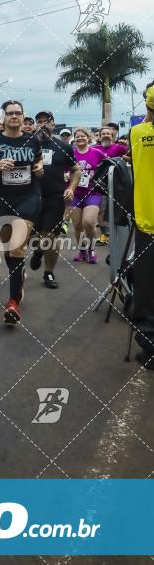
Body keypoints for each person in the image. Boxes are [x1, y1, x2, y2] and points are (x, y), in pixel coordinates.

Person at [0, 100, 43, 326]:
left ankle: (13, 302)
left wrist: (39, 168)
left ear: (23, 116)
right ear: (4, 117)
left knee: (16, 247)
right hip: (2, 199)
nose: (14, 116)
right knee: (8, 247)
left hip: (29, 197)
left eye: (18, 113)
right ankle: (19, 275)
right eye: (10, 113)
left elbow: (38, 162)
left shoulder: (32, 140)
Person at [30, 110, 81, 288]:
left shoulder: (64, 147)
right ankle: (37, 251)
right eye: (39, 121)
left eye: (47, 121)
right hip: (30, 197)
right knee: (32, 236)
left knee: (50, 236)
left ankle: (48, 273)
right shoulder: (26, 144)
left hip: (54, 197)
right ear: (36, 124)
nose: (43, 124)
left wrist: (71, 188)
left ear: (53, 125)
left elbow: (76, 170)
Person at [128, 82, 154, 368]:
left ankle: (150, 347)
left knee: (148, 289)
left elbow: (135, 167)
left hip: (148, 222)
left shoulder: (136, 133)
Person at [70, 127, 108, 264]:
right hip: (75, 193)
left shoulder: (96, 152)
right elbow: (64, 169)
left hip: (93, 192)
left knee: (89, 222)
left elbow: (109, 165)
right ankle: (82, 250)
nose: (80, 138)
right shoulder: (71, 153)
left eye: (82, 136)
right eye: (77, 136)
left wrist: (101, 179)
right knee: (77, 225)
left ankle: (91, 249)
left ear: (88, 138)